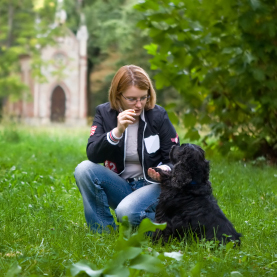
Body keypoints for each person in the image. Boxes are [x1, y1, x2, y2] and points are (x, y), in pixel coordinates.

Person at [74, 65, 179, 232]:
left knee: (126, 213)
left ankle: (175, 225)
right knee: (83, 169)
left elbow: (175, 159)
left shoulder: (158, 115)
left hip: (152, 187)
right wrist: (117, 132)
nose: (139, 105)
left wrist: (163, 170)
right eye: (132, 99)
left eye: (143, 98)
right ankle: (104, 233)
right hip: (121, 186)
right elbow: (93, 155)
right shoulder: (104, 112)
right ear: (118, 95)